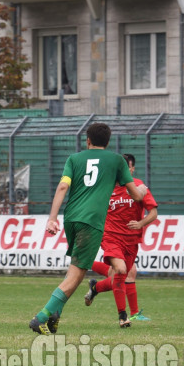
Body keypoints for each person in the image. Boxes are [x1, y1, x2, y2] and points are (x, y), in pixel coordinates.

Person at [28, 123, 147, 335]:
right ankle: (41, 317)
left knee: (74, 272)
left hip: (71, 218)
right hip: (91, 222)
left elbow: (63, 186)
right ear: (108, 142)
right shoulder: (117, 160)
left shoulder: (73, 159)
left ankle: (55, 316)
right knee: (76, 276)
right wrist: (141, 190)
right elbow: (136, 195)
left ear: (88, 141)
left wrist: (52, 218)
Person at [84, 153, 157, 326]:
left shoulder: (139, 187)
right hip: (111, 238)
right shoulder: (105, 187)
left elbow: (153, 213)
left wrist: (140, 224)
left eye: (125, 168)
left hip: (131, 241)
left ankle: (95, 286)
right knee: (123, 270)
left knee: (120, 275)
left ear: (131, 169)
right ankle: (123, 316)